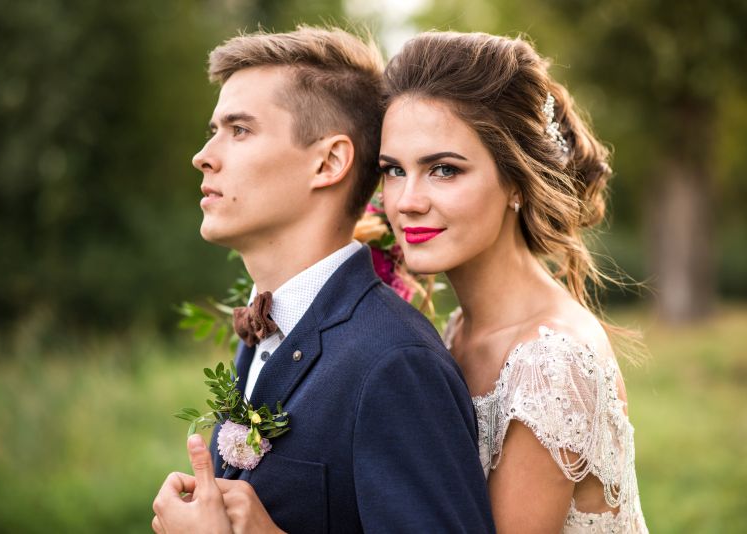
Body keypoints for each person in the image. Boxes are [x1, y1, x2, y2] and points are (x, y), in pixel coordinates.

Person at [151, 27, 495, 533]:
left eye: (239, 130)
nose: (204, 155)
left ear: (329, 161)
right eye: (214, 129)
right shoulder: (266, 327)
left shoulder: (395, 366)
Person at [379, 32, 649, 532]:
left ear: (516, 183)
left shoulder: (553, 363)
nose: (406, 201)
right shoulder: (457, 331)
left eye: (443, 169)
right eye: (394, 170)